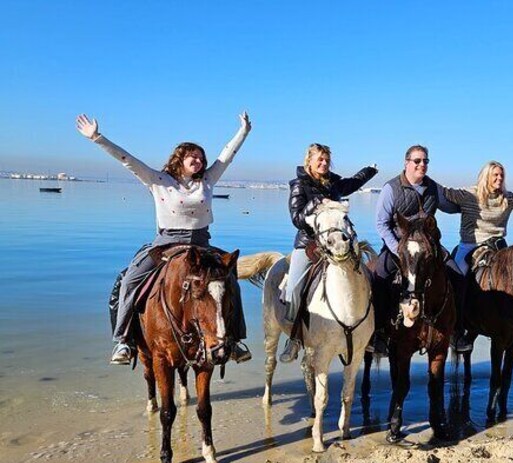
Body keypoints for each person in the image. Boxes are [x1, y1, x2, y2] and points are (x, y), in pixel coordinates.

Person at [77, 112, 252, 365]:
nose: (200, 160)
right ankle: (123, 341)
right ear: (179, 158)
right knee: (129, 280)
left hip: (201, 244)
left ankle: (234, 340)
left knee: (230, 280)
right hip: (166, 245)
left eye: (202, 157)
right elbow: (128, 160)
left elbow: (227, 155)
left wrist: (243, 131)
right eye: (193, 156)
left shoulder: (207, 181)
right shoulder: (159, 180)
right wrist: (97, 138)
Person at [278, 143, 378, 363]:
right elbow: (296, 219)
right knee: (294, 287)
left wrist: (370, 170)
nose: (323, 163)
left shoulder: (333, 182)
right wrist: (316, 202)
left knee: (367, 278)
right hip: (309, 245)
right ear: (309, 161)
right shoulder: (299, 185)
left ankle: (369, 334)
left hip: (337, 245)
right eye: (319, 160)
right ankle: (294, 338)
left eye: (326, 160)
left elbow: (353, 183)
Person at [372, 145, 468, 352]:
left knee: (459, 278)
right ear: (406, 162)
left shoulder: (433, 187)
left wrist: (472, 203)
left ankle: (457, 331)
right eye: (417, 161)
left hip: (428, 247)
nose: (422, 165)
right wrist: (397, 248)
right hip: (398, 246)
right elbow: (381, 223)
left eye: (425, 161)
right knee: (378, 277)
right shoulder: (391, 188)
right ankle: (378, 332)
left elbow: (452, 206)